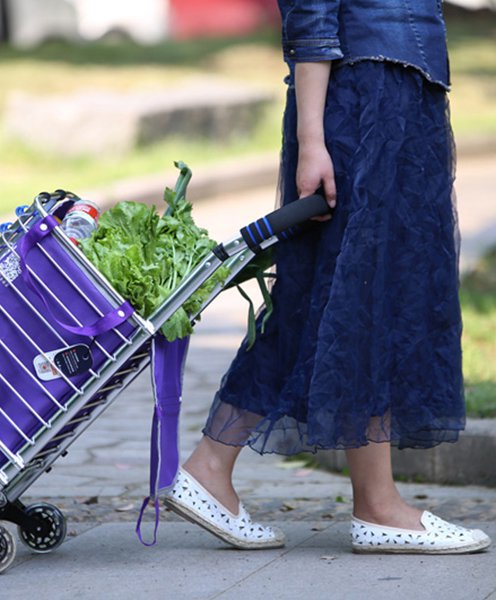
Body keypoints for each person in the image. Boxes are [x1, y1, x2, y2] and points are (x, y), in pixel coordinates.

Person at [163, 0, 492, 554]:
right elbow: (310, 12)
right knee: (366, 296)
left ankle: (212, 467)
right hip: (365, 103)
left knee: (329, 298)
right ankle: (377, 506)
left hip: (396, 97)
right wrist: (312, 140)